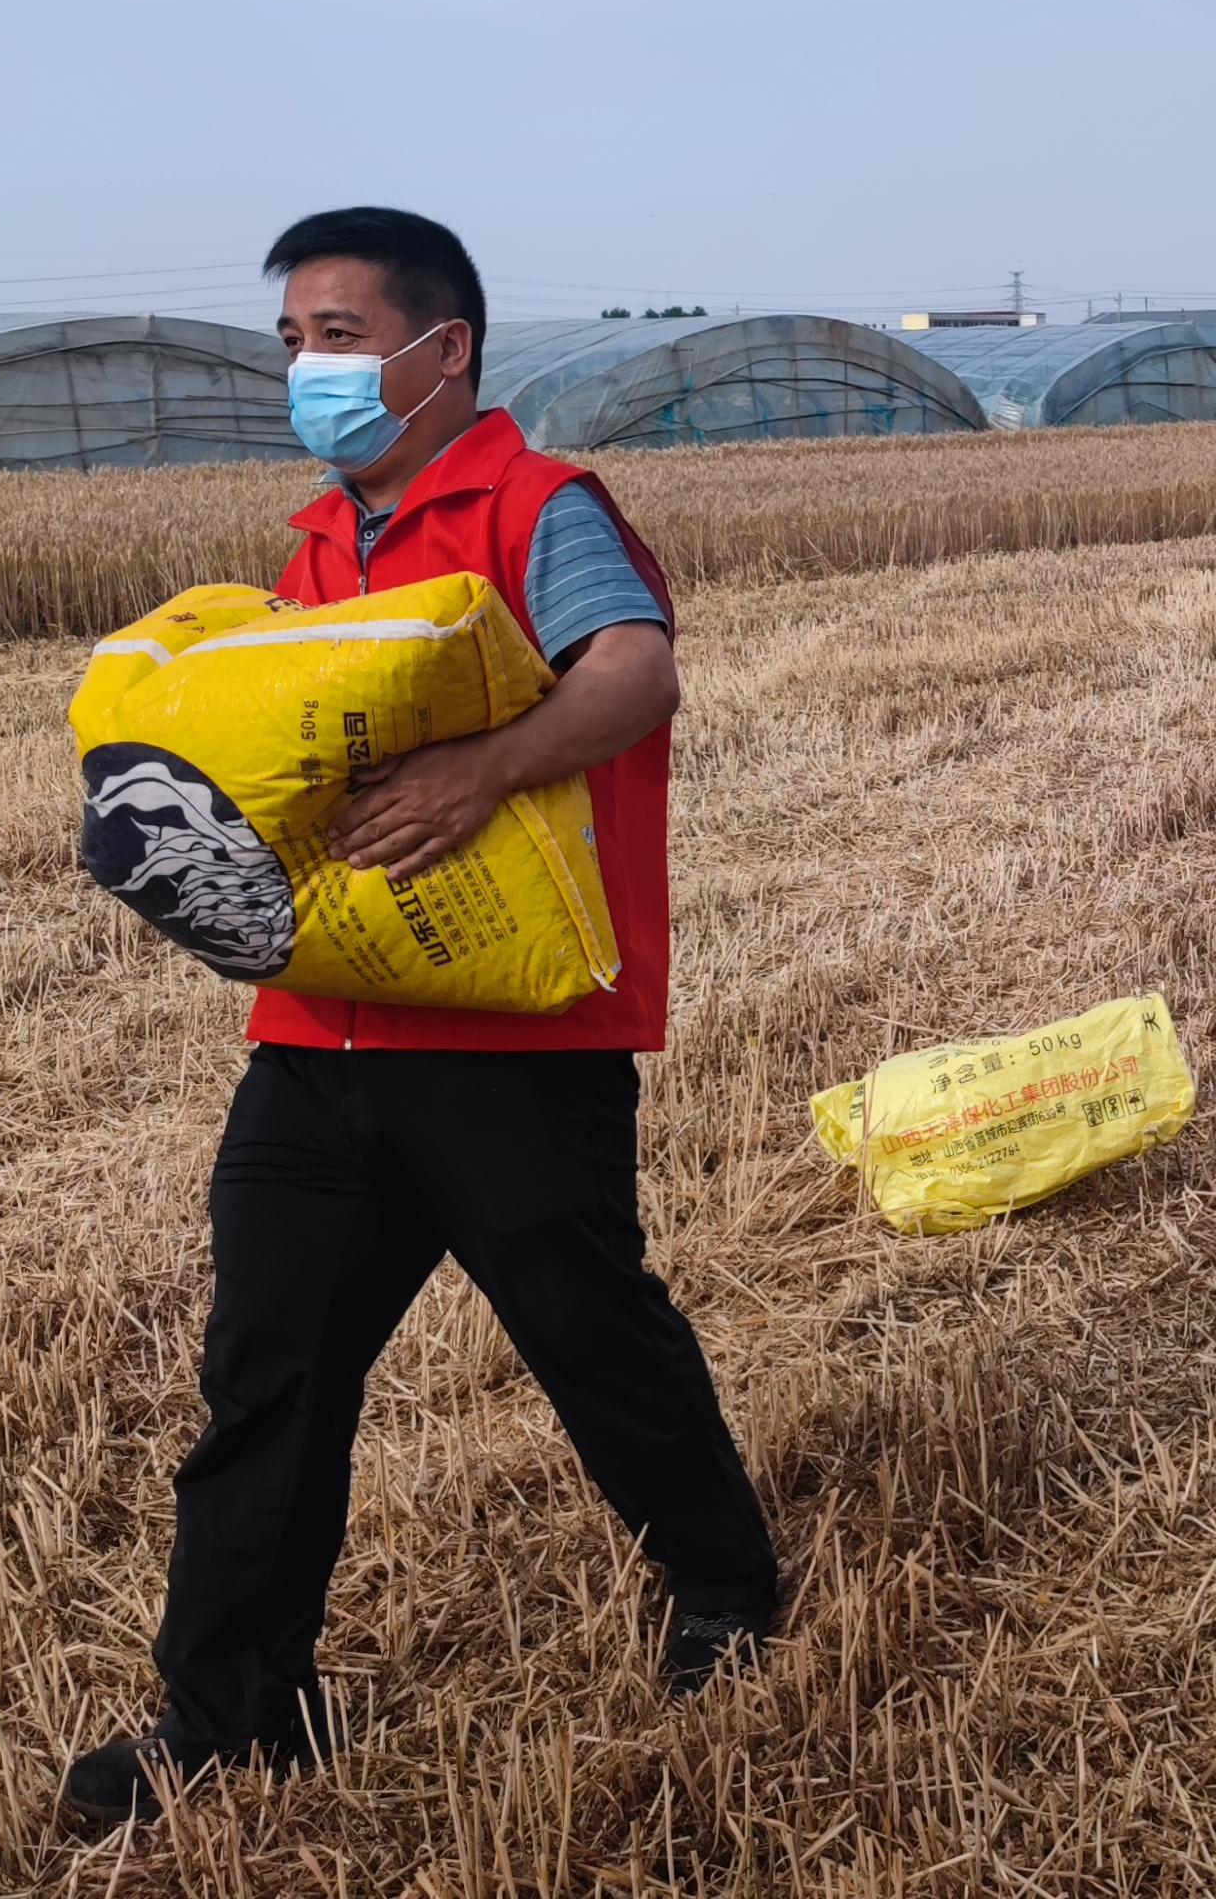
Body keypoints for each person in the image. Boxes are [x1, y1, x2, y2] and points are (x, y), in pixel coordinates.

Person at [64, 209, 783, 1829]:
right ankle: (232, 1711)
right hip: (319, 1040)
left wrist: (484, 768)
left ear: (439, 348)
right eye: (295, 340)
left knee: (590, 1334)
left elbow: (635, 670)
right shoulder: (315, 548)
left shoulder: (543, 508)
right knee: (267, 1376)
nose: (307, 367)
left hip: (518, 1040)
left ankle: (729, 1593)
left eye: (334, 333)